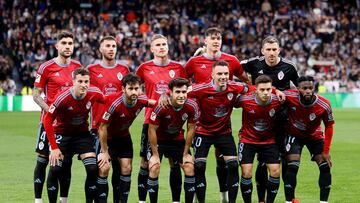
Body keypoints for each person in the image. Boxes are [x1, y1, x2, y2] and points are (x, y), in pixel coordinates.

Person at [185, 27, 250, 202]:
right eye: (212, 38)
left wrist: (238, 100)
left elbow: (247, 82)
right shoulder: (194, 62)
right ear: (204, 41)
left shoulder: (232, 61)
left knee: (226, 163)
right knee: (200, 165)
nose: (216, 41)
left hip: (223, 125)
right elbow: (181, 84)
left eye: (218, 38)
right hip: (201, 123)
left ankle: (224, 197)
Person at [240, 35, 299, 203]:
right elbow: (234, 67)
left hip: (282, 120)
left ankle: (290, 197)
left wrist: (284, 95)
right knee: (261, 162)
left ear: (279, 50)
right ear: (262, 51)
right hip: (260, 118)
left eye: (274, 49)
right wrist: (248, 84)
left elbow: (299, 89)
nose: (271, 53)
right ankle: (260, 199)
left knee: (286, 160)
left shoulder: (289, 67)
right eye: (268, 50)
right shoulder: (253, 63)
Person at [135, 34, 188, 203]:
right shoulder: (144, 68)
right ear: (151, 49)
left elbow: (187, 88)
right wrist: (148, 101)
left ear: (168, 46)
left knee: (175, 163)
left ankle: (175, 200)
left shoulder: (178, 67)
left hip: (174, 121)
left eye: (164, 44)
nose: (161, 47)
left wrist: (167, 94)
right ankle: (143, 201)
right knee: (146, 163)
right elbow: (133, 89)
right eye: (157, 45)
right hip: (150, 121)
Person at [32, 31, 82, 203]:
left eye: (70, 43)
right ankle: (38, 200)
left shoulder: (77, 67)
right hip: (49, 123)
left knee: (65, 163)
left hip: (68, 127)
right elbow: (36, 95)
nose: (67, 46)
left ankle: (64, 200)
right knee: (42, 160)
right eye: (64, 43)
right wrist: (49, 111)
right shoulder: (46, 67)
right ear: (57, 46)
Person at [43, 68, 105, 203]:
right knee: (55, 168)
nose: (84, 85)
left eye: (86, 81)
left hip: (81, 135)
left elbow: (107, 101)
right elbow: (47, 120)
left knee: (92, 168)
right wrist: (54, 147)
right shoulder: (62, 97)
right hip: (62, 134)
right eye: (80, 81)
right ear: (73, 82)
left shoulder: (94, 92)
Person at [97, 73, 155, 203]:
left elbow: (155, 104)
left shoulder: (140, 100)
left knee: (127, 168)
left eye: (137, 88)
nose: (134, 91)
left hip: (124, 138)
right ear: (123, 89)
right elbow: (102, 128)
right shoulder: (115, 104)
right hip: (108, 139)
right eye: (131, 88)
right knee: (104, 168)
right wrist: (105, 152)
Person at [87, 35, 130, 202]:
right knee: (101, 169)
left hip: (119, 129)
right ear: (100, 49)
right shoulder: (91, 69)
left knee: (121, 170)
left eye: (114, 46)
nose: (111, 49)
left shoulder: (124, 69)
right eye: (108, 46)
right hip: (99, 127)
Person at [147, 77, 199, 203]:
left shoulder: (192, 106)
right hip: (159, 140)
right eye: (178, 92)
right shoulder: (161, 107)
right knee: (154, 167)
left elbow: (191, 129)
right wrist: (155, 154)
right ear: (170, 92)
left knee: (189, 167)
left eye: (184, 92)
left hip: (177, 140)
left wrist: (186, 153)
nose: (181, 95)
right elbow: (151, 130)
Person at [283, 76, 334, 203]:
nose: (308, 91)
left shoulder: (324, 104)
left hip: (314, 136)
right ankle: (289, 201)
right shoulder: (289, 96)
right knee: (292, 166)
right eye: (304, 88)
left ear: (314, 88)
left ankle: (323, 202)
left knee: (325, 167)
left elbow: (329, 126)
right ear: (298, 89)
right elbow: (273, 92)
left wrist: (326, 151)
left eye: (310, 88)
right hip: (294, 135)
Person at [236, 75, 282, 203]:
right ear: (255, 89)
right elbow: (229, 102)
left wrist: (277, 91)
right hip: (247, 140)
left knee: (275, 171)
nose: (266, 93)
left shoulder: (278, 100)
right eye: (262, 90)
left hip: (269, 141)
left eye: (268, 89)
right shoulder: (245, 100)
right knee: (246, 172)